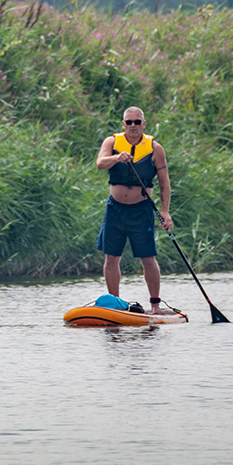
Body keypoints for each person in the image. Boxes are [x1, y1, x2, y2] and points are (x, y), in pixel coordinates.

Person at [95, 106, 173, 314]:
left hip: (141, 211)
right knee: (111, 258)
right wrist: (117, 158)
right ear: (123, 124)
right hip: (115, 210)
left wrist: (165, 212)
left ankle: (155, 306)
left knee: (147, 258)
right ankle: (115, 304)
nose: (132, 126)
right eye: (128, 122)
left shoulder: (155, 149)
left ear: (143, 124)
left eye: (137, 122)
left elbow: (164, 184)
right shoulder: (111, 143)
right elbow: (100, 164)